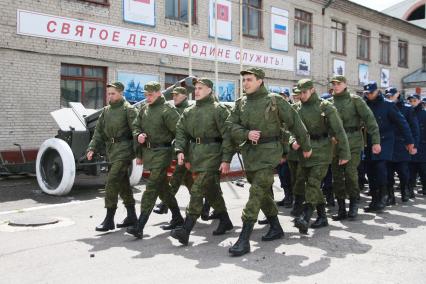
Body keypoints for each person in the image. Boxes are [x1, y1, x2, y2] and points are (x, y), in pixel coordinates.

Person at [228, 68, 311, 257]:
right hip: (250, 154)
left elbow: (296, 123)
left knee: (256, 192)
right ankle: (276, 227)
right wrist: (245, 133)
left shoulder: (275, 100)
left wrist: (306, 146)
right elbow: (230, 125)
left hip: (269, 154)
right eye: (244, 80)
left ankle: (244, 238)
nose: (245, 83)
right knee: (263, 193)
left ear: (260, 81)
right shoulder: (241, 103)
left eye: (249, 79)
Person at [170, 78, 234, 246]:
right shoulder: (189, 111)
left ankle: (186, 229)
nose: (196, 91)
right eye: (195, 88)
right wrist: (181, 151)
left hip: (213, 156)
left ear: (210, 90)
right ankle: (225, 220)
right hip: (196, 156)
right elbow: (181, 132)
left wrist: (226, 159)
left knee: (197, 190)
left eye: (200, 88)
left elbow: (228, 136)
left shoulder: (219, 110)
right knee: (211, 191)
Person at [291, 79, 350, 234]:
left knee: (313, 182)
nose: (301, 96)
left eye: (304, 92)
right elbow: (290, 129)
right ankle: (323, 216)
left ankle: (306, 215)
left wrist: (344, 153)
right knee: (307, 183)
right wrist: (293, 141)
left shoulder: (325, 107)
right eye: (300, 93)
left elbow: (339, 131)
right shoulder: (297, 108)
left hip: (323, 149)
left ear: (312, 90)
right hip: (305, 151)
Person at [126, 81, 184, 239]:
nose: (148, 97)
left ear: (159, 93)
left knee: (151, 189)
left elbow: (180, 132)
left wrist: (178, 151)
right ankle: (178, 218)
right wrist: (139, 136)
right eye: (145, 95)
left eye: (150, 94)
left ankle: (139, 225)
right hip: (149, 153)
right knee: (163, 189)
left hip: (163, 153)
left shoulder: (168, 110)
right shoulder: (144, 109)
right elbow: (136, 126)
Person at [86, 82, 138, 232]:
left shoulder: (128, 110)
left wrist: (138, 154)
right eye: (108, 93)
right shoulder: (106, 111)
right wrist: (92, 147)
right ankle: (131, 216)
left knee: (111, 181)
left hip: (124, 151)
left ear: (121, 93)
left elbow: (136, 131)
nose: (110, 96)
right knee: (123, 184)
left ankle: (109, 219)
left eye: (113, 93)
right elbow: (99, 132)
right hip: (112, 151)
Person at [328, 76, 380, 220]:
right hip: (335, 144)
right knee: (337, 177)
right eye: (334, 83)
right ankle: (341, 209)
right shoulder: (328, 102)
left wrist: (376, 141)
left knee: (351, 174)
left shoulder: (355, 100)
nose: (336, 86)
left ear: (345, 84)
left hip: (354, 142)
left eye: (339, 83)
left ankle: (353, 204)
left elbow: (370, 120)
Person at [363, 81, 415, 213]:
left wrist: (409, 142)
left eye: (371, 93)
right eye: (367, 93)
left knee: (380, 168)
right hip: (368, 142)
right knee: (370, 171)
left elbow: (403, 124)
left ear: (377, 91)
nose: (369, 95)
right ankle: (374, 200)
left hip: (385, 141)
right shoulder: (364, 104)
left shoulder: (388, 105)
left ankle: (383, 197)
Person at [153, 87, 194, 215]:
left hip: (187, 152)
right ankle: (204, 203)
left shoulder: (189, 111)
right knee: (188, 180)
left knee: (176, 178)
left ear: (184, 96)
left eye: (177, 95)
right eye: (173, 95)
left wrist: (186, 154)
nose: (174, 97)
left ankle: (165, 204)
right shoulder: (174, 111)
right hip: (178, 152)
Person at [385, 87, 419, 202]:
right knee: (388, 174)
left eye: (392, 95)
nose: (390, 97)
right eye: (388, 96)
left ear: (398, 94)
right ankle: (391, 196)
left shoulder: (407, 109)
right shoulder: (385, 107)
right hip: (388, 145)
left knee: (403, 172)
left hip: (402, 145)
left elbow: (414, 129)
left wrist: (414, 145)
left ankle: (405, 191)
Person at [407, 94, 426, 196]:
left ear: (419, 101)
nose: (412, 103)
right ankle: (410, 190)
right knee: (410, 169)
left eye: (414, 101)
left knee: (423, 169)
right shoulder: (407, 112)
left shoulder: (424, 114)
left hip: (423, 146)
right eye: (410, 101)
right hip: (410, 145)